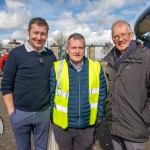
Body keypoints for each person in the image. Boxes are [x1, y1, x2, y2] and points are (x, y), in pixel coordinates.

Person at [1, 17, 57, 150]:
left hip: (43, 113)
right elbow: (6, 85)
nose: (39, 37)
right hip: (20, 113)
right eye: (36, 33)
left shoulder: (50, 55)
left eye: (43, 34)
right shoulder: (16, 54)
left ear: (47, 35)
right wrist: (12, 113)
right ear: (29, 32)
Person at [49, 33, 107, 150]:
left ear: (84, 49)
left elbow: (102, 94)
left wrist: (99, 116)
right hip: (63, 127)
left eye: (80, 48)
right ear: (67, 49)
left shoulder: (96, 67)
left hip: (87, 126)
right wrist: (53, 118)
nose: (77, 51)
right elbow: (51, 96)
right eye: (73, 48)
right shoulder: (57, 68)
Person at [103, 20, 150, 150]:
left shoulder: (146, 57)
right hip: (115, 127)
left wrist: (144, 118)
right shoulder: (110, 60)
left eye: (124, 34)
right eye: (116, 36)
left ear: (131, 35)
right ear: (113, 39)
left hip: (134, 128)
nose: (121, 39)